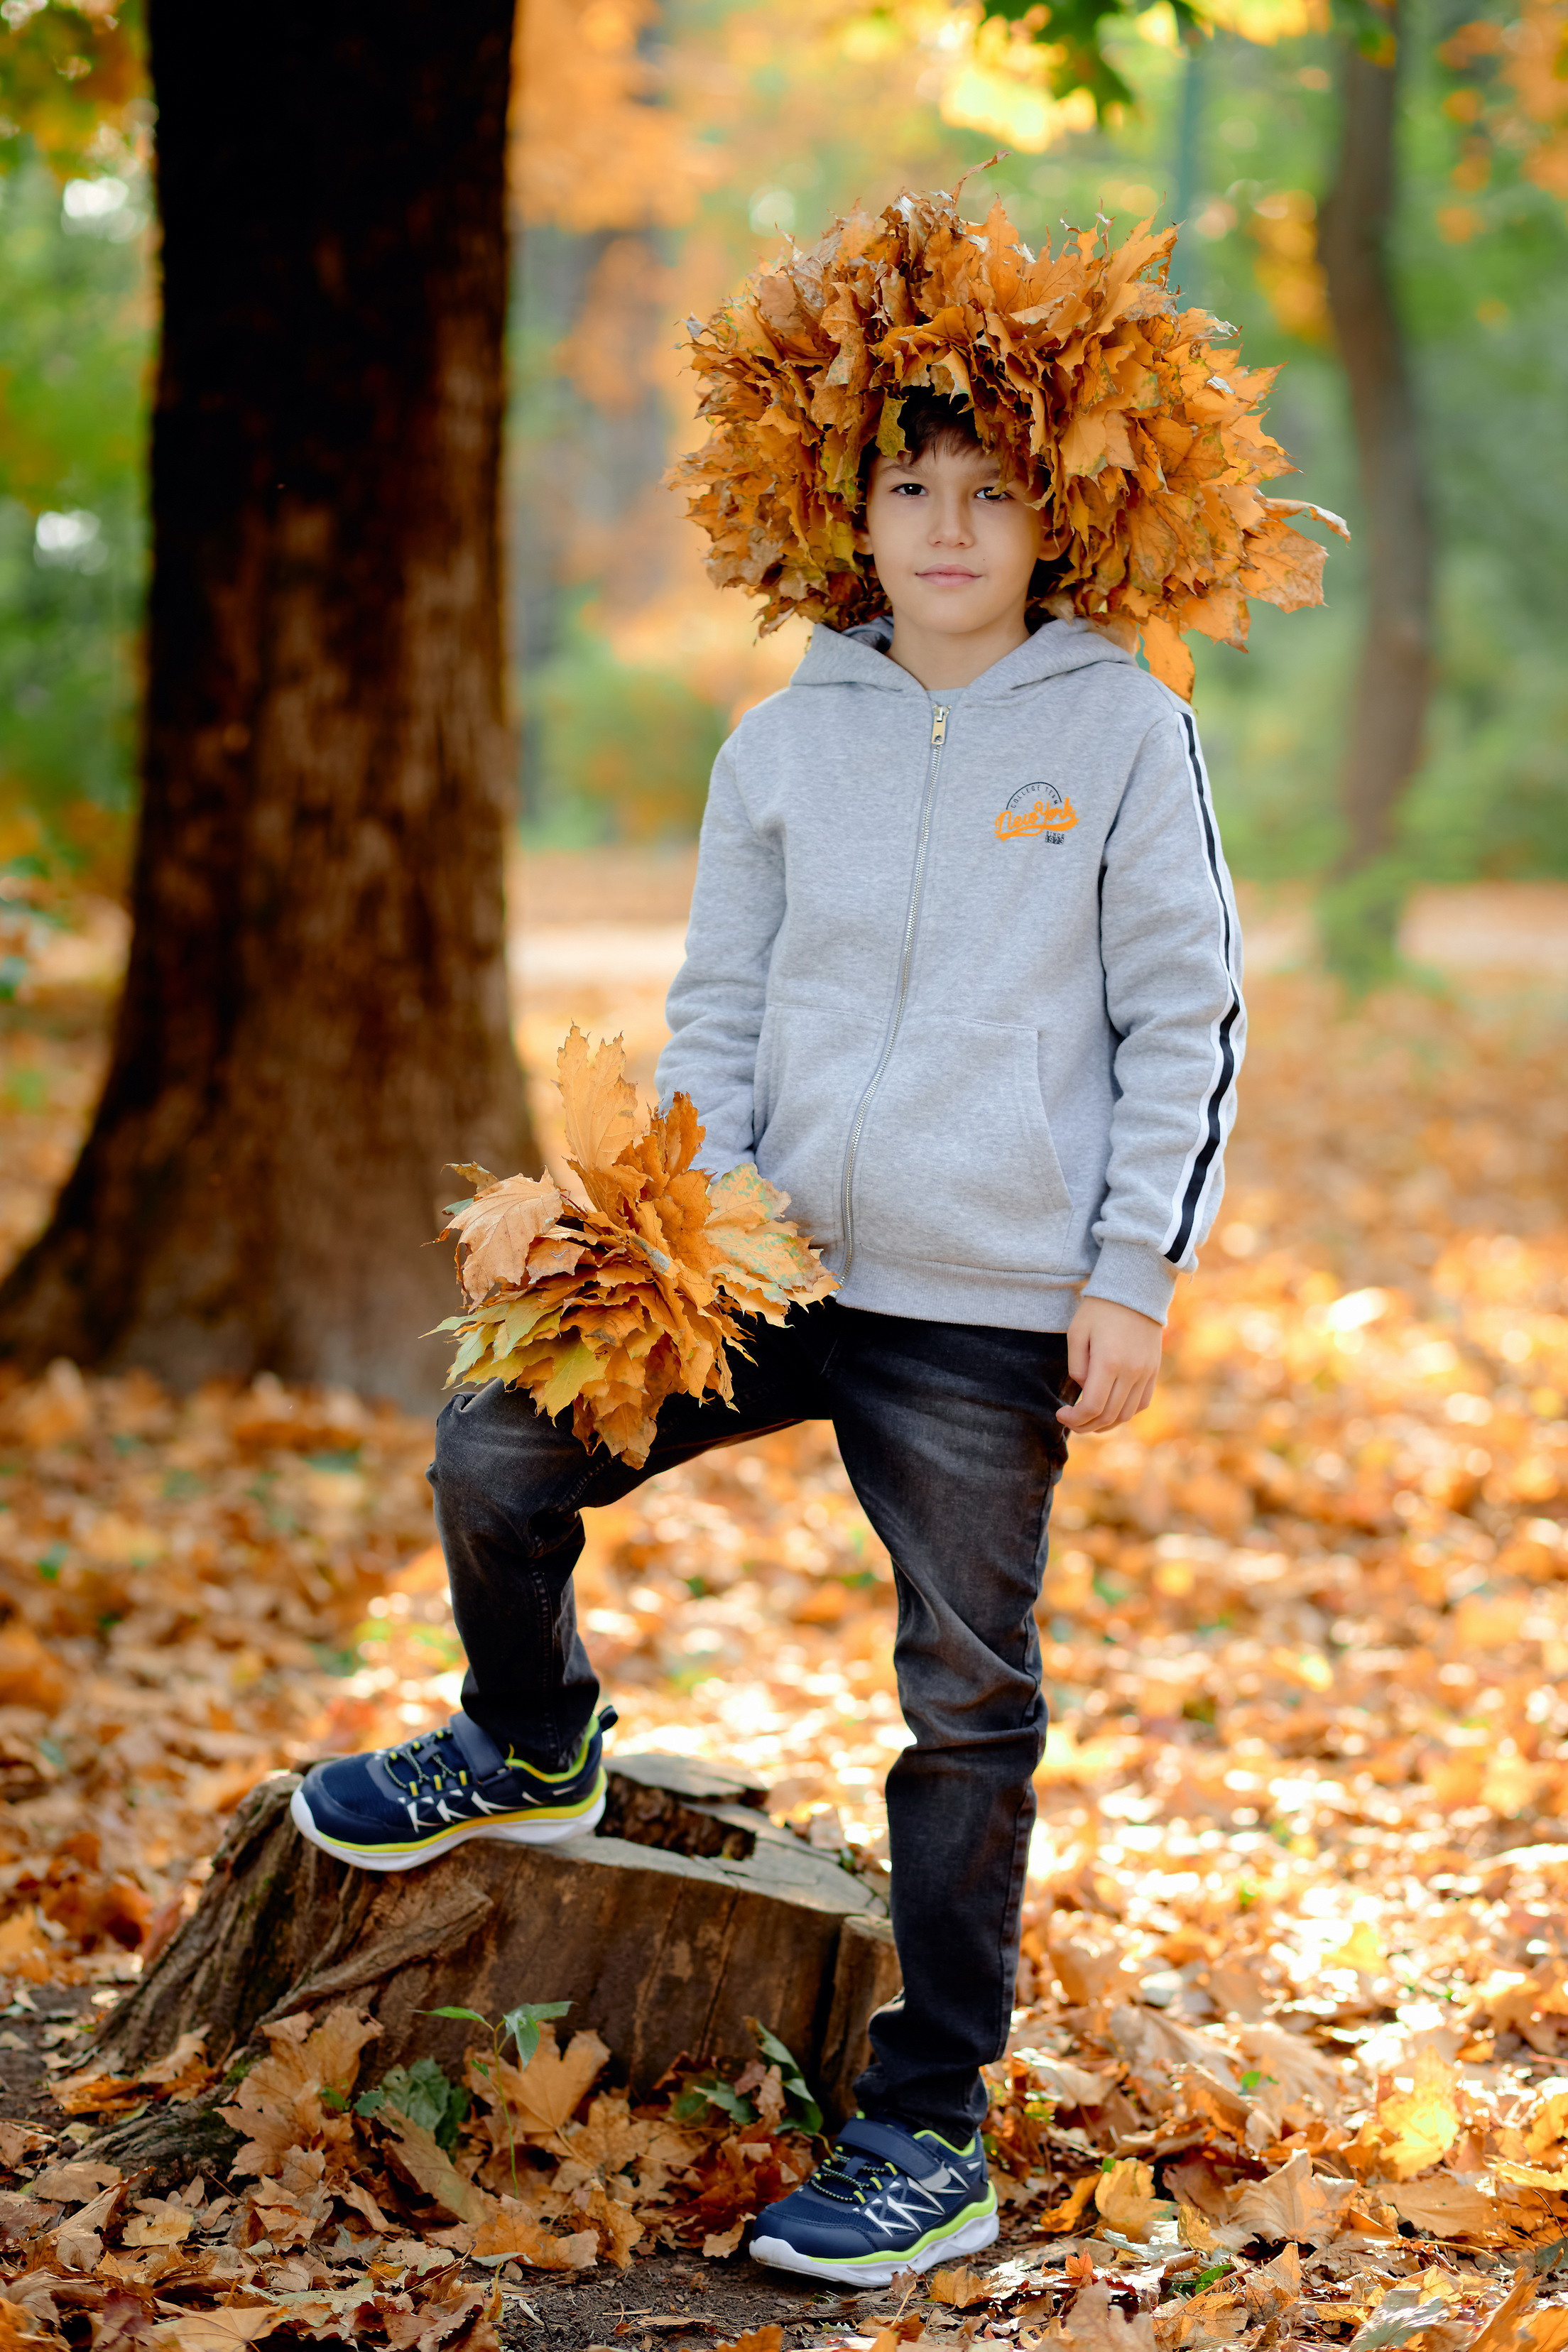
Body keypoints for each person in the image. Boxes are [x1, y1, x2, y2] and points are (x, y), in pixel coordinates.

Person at [292, 187, 1336, 2287]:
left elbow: (1184, 1012)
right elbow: (722, 1011)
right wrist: (672, 1227)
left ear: (1055, 517)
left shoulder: (1125, 729)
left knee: (966, 1698)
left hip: (986, 1303)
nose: (946, 525)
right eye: (907, 485)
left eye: (989, 491)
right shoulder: (780, 744)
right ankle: (527, 1728)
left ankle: (924, 2125)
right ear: (842, 503)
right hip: (769, 1273)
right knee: (496, 1443)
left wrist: (1131, 1271)